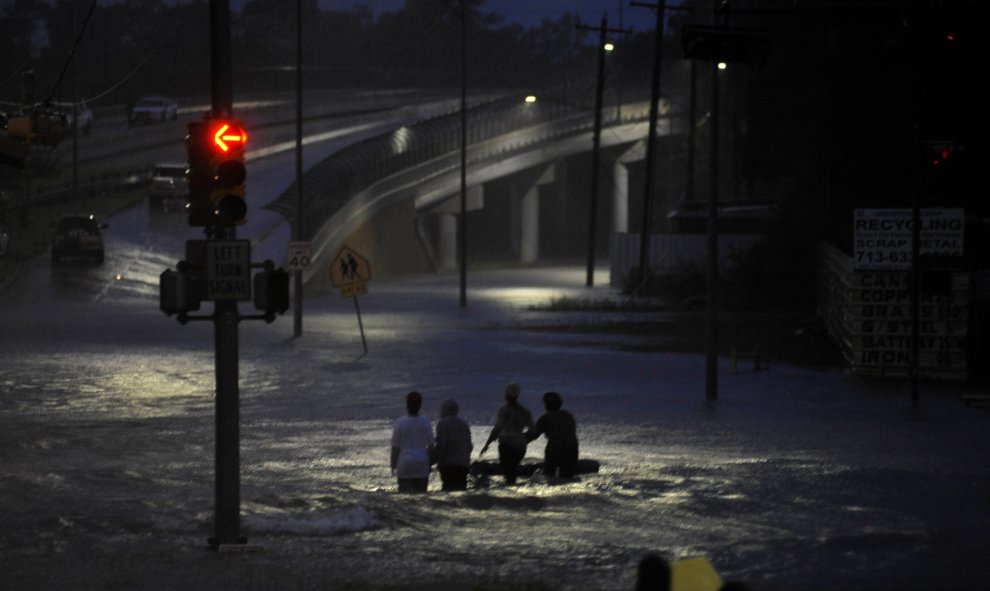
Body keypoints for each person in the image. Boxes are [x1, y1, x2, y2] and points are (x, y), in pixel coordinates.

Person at [480, 382, 534, 485]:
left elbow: (497, 428)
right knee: (512, 470)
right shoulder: (525, 411)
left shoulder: (504, 410)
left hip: (507, 445)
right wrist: (523, 438)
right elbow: (534, 430)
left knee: (508, 473)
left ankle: (510, 495)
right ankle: (514, 491)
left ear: (506, 396)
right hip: (521, 446)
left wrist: (487, 444)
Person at [527, 391, 579, 479]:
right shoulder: (568, 416)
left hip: (555, 448)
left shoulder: (545, 418)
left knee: (549, 475)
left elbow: (533, 435)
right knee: (568, 477)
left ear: (547, 405)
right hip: (572, 448)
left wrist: (516, 439)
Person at [390, 391, 434, 493]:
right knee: (421, 497)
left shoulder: (400, 422)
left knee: (405, 496)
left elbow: (395, 447)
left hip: (405, 464)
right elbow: (431, 446)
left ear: (407, 405)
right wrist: (429, 464)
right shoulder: (425, 421)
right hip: (422, 464)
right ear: (420, 405)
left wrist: (393, 465)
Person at [433, 398, 473, 491]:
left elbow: (442, 446)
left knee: (448, 491)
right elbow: (470, 447)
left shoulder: (442, 424)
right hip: (463, 465)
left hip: (449, 466)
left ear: (444, 410)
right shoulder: (464, 424)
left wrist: (431, 461)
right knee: (461, 492)